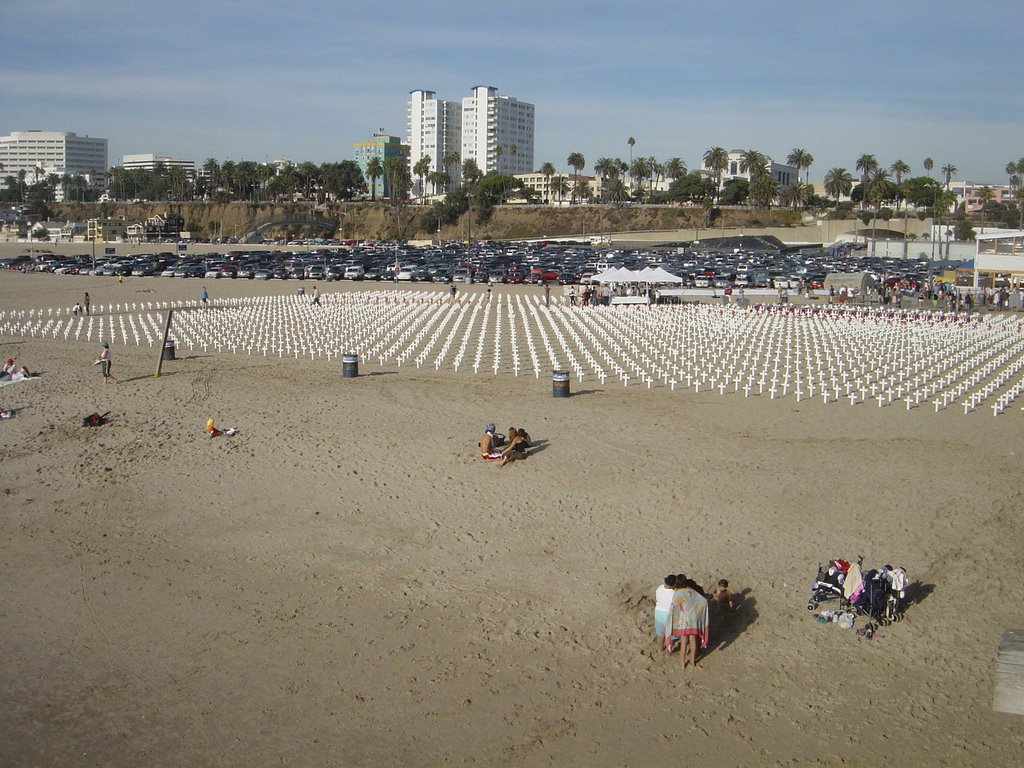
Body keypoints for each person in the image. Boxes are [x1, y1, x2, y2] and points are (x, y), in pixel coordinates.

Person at [664, 577, 710, 670]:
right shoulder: (692, 591)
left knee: (684, 641)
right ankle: (692, 661)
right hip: (694, 619)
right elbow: (704, 601)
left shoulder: (678, 593)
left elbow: (674, 607)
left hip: (684, 620)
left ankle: (682, 663)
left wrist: (672, 621)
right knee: (693, 640)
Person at [654, 574, 677, 643]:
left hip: (658, 613)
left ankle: (659, 649)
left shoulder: (660, 588)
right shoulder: (674, 593)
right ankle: (669, 651)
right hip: (669, 614)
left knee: (660, 634)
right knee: (670, 636)